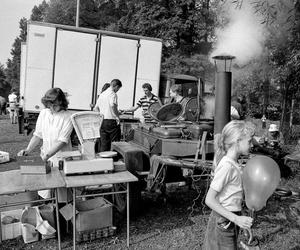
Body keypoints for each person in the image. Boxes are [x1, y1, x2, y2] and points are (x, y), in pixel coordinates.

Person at [204, 120, 255, 250]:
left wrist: (241, 219)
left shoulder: (234, 164)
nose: (252, 145)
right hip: (224, 220)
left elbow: (233, 196)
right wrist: (236, 219)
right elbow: (209, 200)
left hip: (230, 218)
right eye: (249, 141)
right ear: (237, 141)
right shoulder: (227, 166)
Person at [17, 88, 73, 198]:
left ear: (61, 102)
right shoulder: (44, 113)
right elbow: (38, 135)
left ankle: (63, 213)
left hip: (61, 160)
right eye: (49, 105)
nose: (51, 108)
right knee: (45, 192)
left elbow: (62, 141)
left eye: (54, 105)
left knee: (61, 195)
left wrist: (46, 157)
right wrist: (27, 150)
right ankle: (46, 212)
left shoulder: (68, 117)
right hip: (46, 158)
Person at [94, 79, 122, 152]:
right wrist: (117, 116)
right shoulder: (113, 94)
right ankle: (113, 160)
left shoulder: (102, 94)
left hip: (103, 121)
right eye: (118, 89)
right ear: (116, 86)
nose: (117, 90)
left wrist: (101, 115)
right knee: (115, 143)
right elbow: (113, 105)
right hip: (112, 121)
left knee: (104, 143)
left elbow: (96, 108)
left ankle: (103, 160)